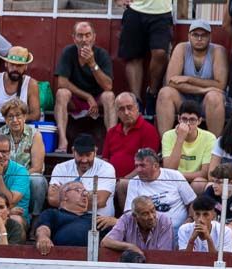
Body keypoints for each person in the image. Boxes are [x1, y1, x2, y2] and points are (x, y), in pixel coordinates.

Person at [155, 20, 229, 136]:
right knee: (165, 92)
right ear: (189, 36)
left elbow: (220, 85)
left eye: (203, 35)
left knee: (214, 96)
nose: (199, 39)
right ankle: (166, 146)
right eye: (195, 35)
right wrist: (203, 89)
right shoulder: (182, 48)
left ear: (210, 37)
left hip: (208, 102)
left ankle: (214, 149)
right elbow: (171, 81)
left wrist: (188, 79)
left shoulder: (218, 51)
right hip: (184, 100)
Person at [53, 22, 116, 153]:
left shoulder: (101, 54)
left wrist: (92, 63)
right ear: (74, 38)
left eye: (88, 35)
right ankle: (62, 141)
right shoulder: (68, 52)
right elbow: (62, 82)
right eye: (80, 36)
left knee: (109, 96)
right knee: (61, 93)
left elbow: (108, 86)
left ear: (94, 37)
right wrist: (87, 97)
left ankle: (112, 142)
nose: (84, 40)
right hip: (76, 101)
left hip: (97, 101)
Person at [0, 46, 40, 156]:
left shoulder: (31, 84)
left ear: (25, 67)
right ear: (6, 64)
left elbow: (35, 114)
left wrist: (15, 120)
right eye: (12, 64)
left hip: (18, 127)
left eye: (19, 66)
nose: (15, 68)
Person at [0, 97, 46, 218]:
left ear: (25, 117)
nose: (15, 120)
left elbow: (37, 167)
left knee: (37, 180)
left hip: (28, 175)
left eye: (18, 115)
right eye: (10, 116)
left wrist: (19, 178)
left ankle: (35, 217)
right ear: (5, 119)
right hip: (5, 175)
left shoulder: (35, 135)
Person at [118, 0, 172, 115]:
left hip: (162, 12)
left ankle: (152, 94)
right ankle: (136, 101)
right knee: (133, 57)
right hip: (135, 10)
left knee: (160, 53)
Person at [49, 134, 117, 221]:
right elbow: (52, 198)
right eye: (80, 155)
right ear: (73, 151)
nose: (84, 160)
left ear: (95, 151)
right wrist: (89, 195)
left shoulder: (106, 168)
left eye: (88, 155)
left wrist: (65, 193)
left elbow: (99, 201)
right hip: (65, 218)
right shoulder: (61, 167)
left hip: (95, 219)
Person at [124, 147, 196, 228]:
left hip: (178, 229)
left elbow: (192, 202)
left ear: (155, 166)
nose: (138, 170)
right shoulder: (134, 182)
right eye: (136, 166)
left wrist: (190, 219)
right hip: (150, 231)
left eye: (142, 165)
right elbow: (129, 212)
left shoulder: (174, 175)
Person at [103, 92, 160, 188]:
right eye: (121, 109)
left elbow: (147, 164)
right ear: (117, 113)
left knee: (123, 185)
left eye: (129, 108)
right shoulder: (111, 132)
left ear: (137, 108)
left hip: (139, 182)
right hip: (112, 183)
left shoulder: (148, 130)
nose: (126, 112)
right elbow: (105, 160)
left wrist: (124, 180)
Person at [161, 100, 215, 193]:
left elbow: (205, 173)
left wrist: (178, 176)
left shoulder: (209, 138)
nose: (188, 123)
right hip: (173, 181)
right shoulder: (168, 136)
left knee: (199, 183)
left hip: (194, 180)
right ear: (178, 119)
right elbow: (169, 170)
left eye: (192, 120)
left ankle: (194, 207)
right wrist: (180, 139)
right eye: (184, 119)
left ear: (199, 121)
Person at [102, 195, 175, 255]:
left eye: (153, 211)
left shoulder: (164, 221)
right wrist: (130, 247)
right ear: (135, 216)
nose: (151, 217)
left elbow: (164, 255)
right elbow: (105, 242)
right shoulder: (126, 219)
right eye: (145, 214)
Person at [34, 181, 94, 253]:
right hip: (60, 257)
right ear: (65, 195)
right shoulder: (52, 213)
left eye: (85, 192)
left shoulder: (95, 218)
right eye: (78, 190)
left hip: (93, 260)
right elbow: (43, 228)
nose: (84, 195)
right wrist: (43, 237)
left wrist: (111, 221)